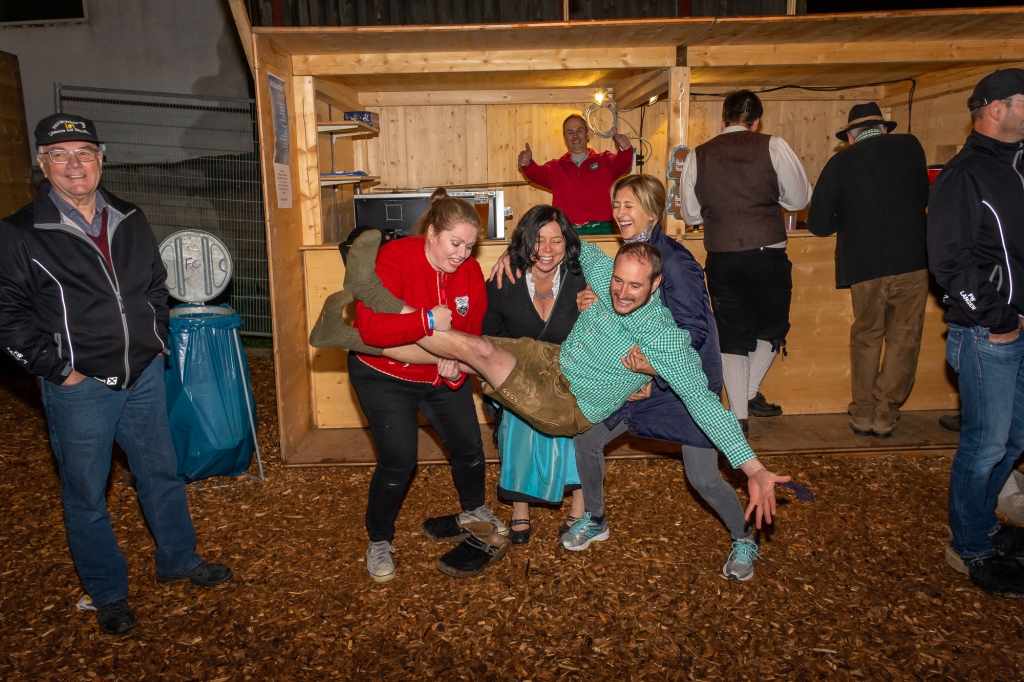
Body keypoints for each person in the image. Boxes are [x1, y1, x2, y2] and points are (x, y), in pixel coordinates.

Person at [316, 232, 792, 543]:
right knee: (465, 348)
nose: (621, 293)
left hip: (565, 403)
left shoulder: (663, 339)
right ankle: (354, 335)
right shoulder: (605, 277)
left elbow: (706, 405)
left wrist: (753, 467)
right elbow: (568, 235)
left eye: (635, 287)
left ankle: (376, 302)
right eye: (618, 282)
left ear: (655, 285)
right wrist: (515, 251)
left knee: (474, 351)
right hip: (550, 360)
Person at [0, 114, 232, 636]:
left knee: (162, 474)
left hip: (142, 375)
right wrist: (58, 371)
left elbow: (155, 283)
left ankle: (178, 560)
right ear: (41, 162)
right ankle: (106, 591)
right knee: (86, 494)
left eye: (83, 152)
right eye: (60, 155)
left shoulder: (129, 216)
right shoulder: (20, 233)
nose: (74, 164)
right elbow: (7, 317)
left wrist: (156, 341)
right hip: (80, 387)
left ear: (101, 158)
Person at [565, 174, 761, 578]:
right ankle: (596, 519)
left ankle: (744, 538)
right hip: (635, 376)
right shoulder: (632, 253)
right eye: (616, 204)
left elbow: (694, 333)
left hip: (679, 379)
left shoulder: (673, 260)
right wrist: (595, 298)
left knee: (703, 477)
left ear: (652, 211)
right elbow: (619, 301)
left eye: (629, 205)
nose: (619, 213)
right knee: (586, 440)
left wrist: (655, 375)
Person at [312, 188, 507, 583]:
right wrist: (427, 320)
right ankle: (379, 540)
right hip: (384, 375)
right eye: (455, 243)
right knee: (399, 462)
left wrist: (456, 367)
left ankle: (474, 509)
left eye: (470, 246)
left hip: (439, 374)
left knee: (469, 447)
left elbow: (470, 332)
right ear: (431, 233)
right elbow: (372, 328)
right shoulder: (395, 257)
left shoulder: (470, 272)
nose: (463, 254)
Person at [927, 68, 1024, 597]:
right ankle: (968, 548)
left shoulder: (1016, 166)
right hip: (989, 335)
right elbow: (949, 262)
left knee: (1014, 440)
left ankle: (984, 526)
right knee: (985, 447)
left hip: (1016, 330)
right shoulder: (964, 174)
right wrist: (996, 318)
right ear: (995, 108)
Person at [678, 90, 812, 432]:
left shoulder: (698, 155)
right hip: (768, 252)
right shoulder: (773, 146)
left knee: (732, 336)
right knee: (772, 327)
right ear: (756, 121)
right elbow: (798, 200)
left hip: (722, 256)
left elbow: (690, 213)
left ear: (722, 119)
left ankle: (739, 416)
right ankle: (749, 392)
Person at [808, 102, 931, 439]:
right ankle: (886, 414)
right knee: (905, 339)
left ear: (850, 136)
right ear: (885, 128)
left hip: (864, 265)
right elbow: (923, 196)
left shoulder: (840, 162)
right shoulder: (911, 147)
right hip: (912, 259)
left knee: (867, 337)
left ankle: (862, 413)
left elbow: (818, 224)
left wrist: (849, 220)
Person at [482, 206, 588, 543]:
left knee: (577, 407)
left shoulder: (582, 277)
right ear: (525, 241)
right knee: (519, 413)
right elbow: (487, 336)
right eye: (538, 240)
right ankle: (520, 506)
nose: (547, 249)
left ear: (567, 243)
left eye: (556, 240)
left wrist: (598, 307)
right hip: (519, 375)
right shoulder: (504, 281)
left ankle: (580, 503)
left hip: (569, 373)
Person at [518, 114, 634, 234]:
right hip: (568, 232)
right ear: (565, 138)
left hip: (602, 230)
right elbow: (536, 173)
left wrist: (625, 149)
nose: (575, 136)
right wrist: (527, 164)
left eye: (579, 130)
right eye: (570, 132)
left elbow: (623, 163)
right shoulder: (556, 167)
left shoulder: (604, 160)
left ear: (587, 134)